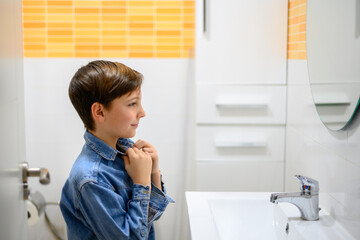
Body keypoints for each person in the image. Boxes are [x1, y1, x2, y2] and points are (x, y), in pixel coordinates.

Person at [60, 60, 174, 240]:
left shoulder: (125, 151)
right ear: (99, 112)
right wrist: (142, 183)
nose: (142, 112)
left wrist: (153, 173)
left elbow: (150, 218)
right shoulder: (91, 179)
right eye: (132, 104)